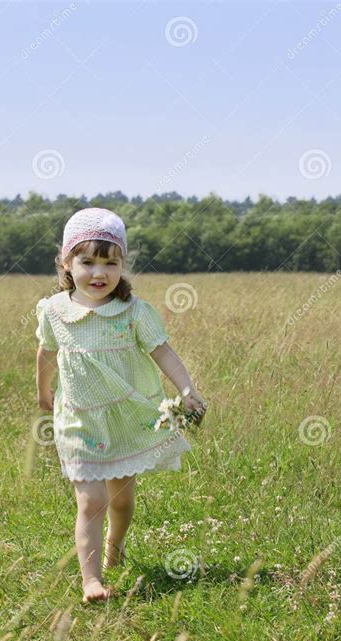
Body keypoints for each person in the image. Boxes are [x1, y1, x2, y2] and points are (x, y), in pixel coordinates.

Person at [35, 207, 207, 603]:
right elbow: (46, 352)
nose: (99, 273)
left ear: (122, 264)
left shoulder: (133, 311)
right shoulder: (55, 311)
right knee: (92, 500)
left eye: (110, 263)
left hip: (124, 418)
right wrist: (43, 393)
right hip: (78, 420)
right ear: (66, 262)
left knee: (122, 500)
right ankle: (91, 580)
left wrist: (186, 389)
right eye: (88, 261)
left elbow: (162, 351)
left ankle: (115, 545)